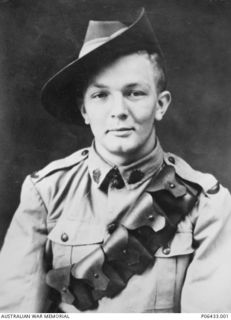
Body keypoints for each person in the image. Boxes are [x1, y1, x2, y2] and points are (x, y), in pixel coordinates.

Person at [0, 8, 231, 313]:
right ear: (84, 110)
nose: (118, 110)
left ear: (160, 105)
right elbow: (16, 313)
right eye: (100, 96)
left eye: (134, 93)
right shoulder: (45, 194)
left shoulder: (207, 205)